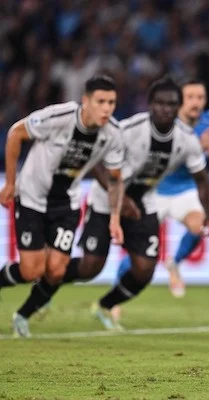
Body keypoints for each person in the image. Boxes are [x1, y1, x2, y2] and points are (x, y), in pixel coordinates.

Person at [11, 76, 209, 336]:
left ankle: (105, 306)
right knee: (90, 267)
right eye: (160, 103)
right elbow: (97, 161)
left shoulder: (186, 140)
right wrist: (120, 199)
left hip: (144, 202)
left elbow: (202, 179)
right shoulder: (128, 130)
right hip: (105, 202)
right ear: (150, 105)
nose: (166, 109)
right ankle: (41, 292)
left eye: (171, 104)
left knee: (145, 269)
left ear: (178, 108)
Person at [0, 75, 124, 337]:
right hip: (32, 198)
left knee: (56, 271)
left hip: (66, 204)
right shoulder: (59, 117)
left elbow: (114, 179)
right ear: (85, 101)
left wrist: (115, 217)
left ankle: (22, 316)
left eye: (111, 103)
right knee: (31, 270)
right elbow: (15, 134)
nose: (106, 109)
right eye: (100, 102)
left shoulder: (113, 134)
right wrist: (10, 183)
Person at [116, 79, 209, 298]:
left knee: (201, 227)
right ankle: (115, 297)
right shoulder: (167, 125)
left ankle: (174, 263)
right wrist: (197, 147)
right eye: (190, 97)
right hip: (154, 190)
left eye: (200, 97)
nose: (196, 102)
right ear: (179, 102)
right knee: (139, 250)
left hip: (185, 190)